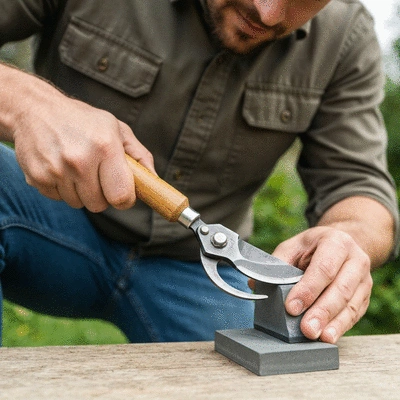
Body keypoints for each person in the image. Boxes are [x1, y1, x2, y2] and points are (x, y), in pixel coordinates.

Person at [0, 0, 398, 344]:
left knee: (279, 370)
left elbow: (358, 184)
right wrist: (24, 103)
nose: (267, 11)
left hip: (196, 271)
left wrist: (349, 238)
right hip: (53, 219)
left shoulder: (345, 36)